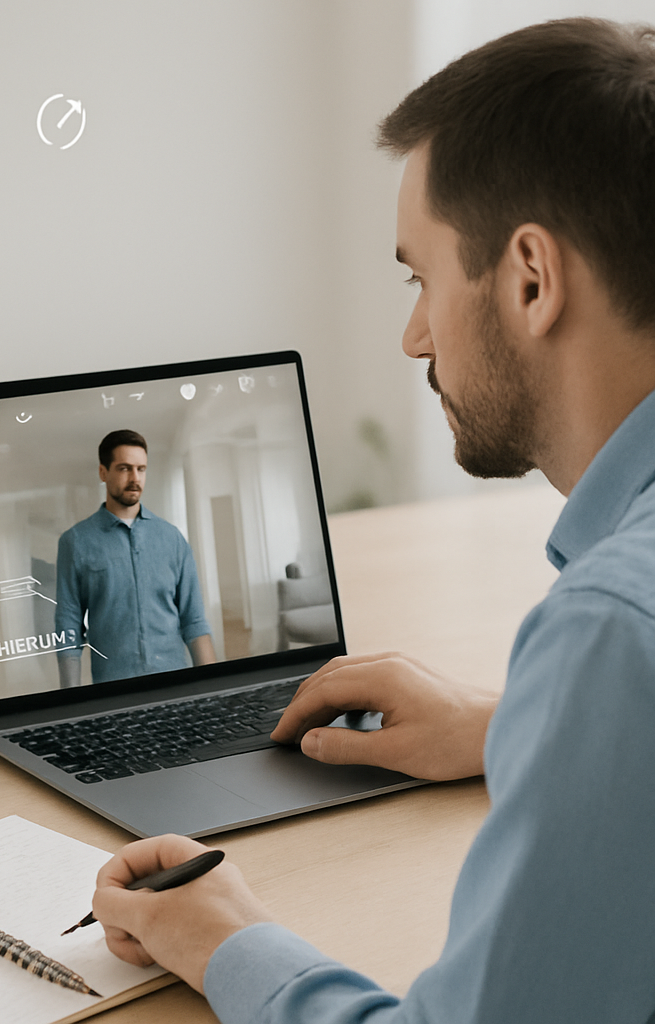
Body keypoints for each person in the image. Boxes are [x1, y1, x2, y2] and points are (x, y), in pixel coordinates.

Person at [89, 18, 655, 1023]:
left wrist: (225, 938)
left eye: (420, 277)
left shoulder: (615, 628)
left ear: (532, 278)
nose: (413, 334)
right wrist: (520, 727)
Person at [55, 429, 216, 687]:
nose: (135, 478)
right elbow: (68, 626)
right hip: (113, 690)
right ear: (103, 472)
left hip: (175, 682)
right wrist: (69, 701)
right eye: (124, 468)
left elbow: (194, 620)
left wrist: (213, 689)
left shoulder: (172, 538)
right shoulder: (75, 542)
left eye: (141, 469)